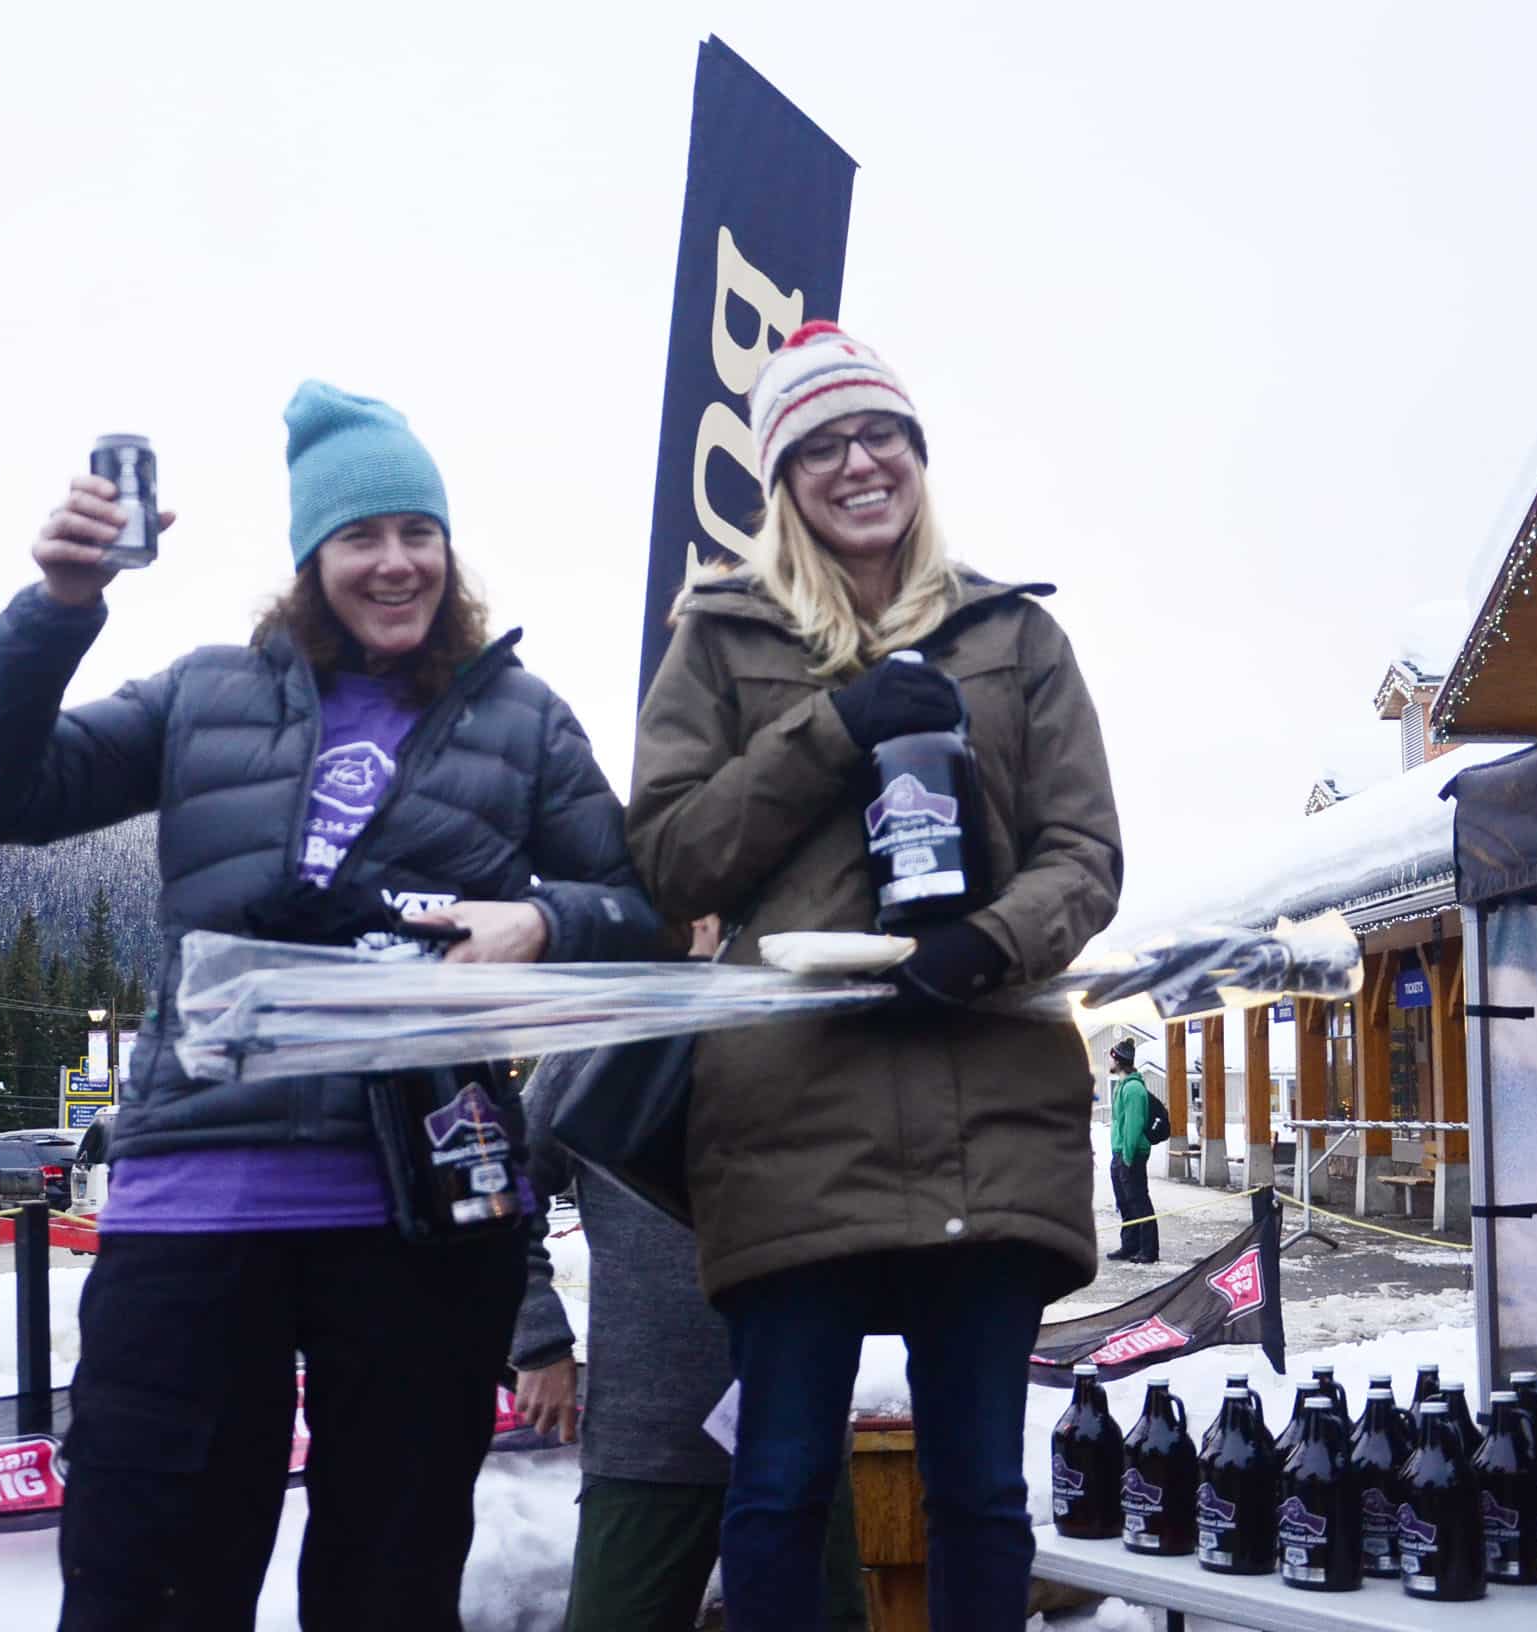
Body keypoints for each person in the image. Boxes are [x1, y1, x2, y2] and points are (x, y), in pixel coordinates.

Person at [0, 381, 661, 1631]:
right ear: (310, 558)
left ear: (447, 547)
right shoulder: (205, 694)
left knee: (390, 1589)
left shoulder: (522, 720)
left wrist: (543, 922)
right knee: (143, 1584)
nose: (394, 564)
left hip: (422, 1220)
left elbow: (644, 909)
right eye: (360, 538)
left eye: (416, 533)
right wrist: (58, 609)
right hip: (193, 1210)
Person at [628, 321, 1125, 1631]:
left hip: (990, 1116)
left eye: (882, 435)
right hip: (791, 1122)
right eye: (823, 446)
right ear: (785, 481)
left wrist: (987, 944)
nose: (860, 463)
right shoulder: (723, 639)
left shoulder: (1015, 635)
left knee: (981, 1496)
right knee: (780, 1489)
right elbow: (673, 859)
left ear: (919, 454)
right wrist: (831, 727)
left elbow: (1086, 853)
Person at [509, 919, 869, 1632]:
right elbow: (500, 1196)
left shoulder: (804, 1023)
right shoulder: (603, 1038)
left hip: (797, 1417)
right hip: (648, 1434)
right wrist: (538, 1341)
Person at [1106, 1042, 1171, 1263]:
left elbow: (1134, 1124)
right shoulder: (1123, 1085)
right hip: (1120, 1152)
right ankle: (1130, 1245)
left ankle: (1148, 1250)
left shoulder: (1133, 1089)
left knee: (1138, 1200)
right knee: (1124, 1202)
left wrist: (1127, 1155)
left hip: (1131, 1152)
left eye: (1111, 1057)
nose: (1109, 1061)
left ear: (1118, 1060)